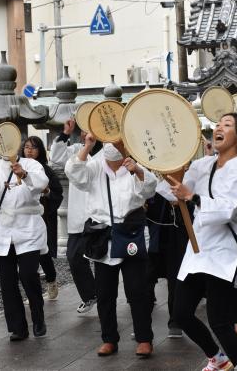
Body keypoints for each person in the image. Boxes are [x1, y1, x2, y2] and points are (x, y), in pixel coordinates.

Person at [169, 113, 237, 369]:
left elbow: (226, 209)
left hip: (224, 252)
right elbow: (173, 193)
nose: (219, 127)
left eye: (227, 125)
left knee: (219, 321)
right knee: (181, 314)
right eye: (218, 124)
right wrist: (157, 168)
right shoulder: (203, 165)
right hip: (198, 249)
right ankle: (218, 359)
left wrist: (192, 197)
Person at [66, 137, 157, 358]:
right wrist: (87, 145)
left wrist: (136, 168)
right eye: (108, 141)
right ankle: (109, 338)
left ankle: (144, 338)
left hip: (130, 233)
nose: (112, 145)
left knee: (138, 290)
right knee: (105, 293)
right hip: (102, 236)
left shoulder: (134, 164)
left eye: (117, 141)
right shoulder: (94, 165)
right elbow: (74, 173)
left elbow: (150, 190)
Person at [0, 138, 49, 341]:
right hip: (3, 230)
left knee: (28, 275)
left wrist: (24, 174)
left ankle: (38, 317)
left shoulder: (31, 164)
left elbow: (42, 183)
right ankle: (17, 327)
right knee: (7, 282)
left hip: (28, 228)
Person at [50, 118, 102, 313]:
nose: (86, 134)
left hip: (103, 216)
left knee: (108, 261)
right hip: (80, 217)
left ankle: (121, 296)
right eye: (83, 131)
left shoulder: (107, 152)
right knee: (74, 257)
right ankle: (91, 295)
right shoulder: (76, 150)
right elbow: (56, 157)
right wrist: (65, 133)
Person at [144, 176, 191, 339]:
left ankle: (175, 321)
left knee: (175, 278)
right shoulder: (145, 173)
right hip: (152, 234)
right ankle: (142, 325)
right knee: (146, 280)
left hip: (176, 234)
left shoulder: (184, 175)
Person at [22, 136, 63, 300]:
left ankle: (51, 279)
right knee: (25, 256)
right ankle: (33, 292)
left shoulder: (45, 170)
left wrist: (46, 192)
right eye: (26, 147)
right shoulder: (16, 167)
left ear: (40, 150)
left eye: (33, 147)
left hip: (42, 217)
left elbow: (57, 193)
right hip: (21, 219)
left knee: (42, 252)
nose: (29, 150)